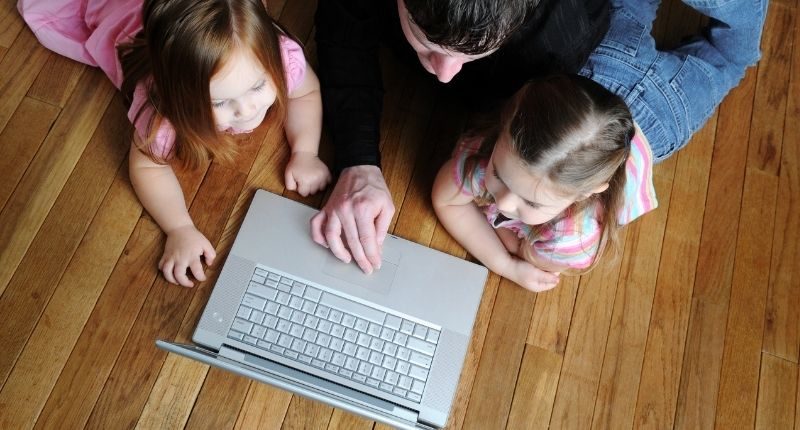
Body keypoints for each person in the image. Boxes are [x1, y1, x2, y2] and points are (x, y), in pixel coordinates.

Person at [432, 0, 767, 292]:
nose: (503, 202)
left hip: (660, 112)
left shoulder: (572, 237)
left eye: (531, 203)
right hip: (613, 82)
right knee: (725, 53)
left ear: (586, 192)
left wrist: (509, 257)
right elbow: (447, 202)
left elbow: (463, 210)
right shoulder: (493, 154)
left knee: (731, 58)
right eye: (499, 176)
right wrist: (506, 262)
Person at [18, 0, 331, 287]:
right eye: (220, 102)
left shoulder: (276, 53)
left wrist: (306, 151)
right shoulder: (162, 116)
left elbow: (305, 92)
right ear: (181, 100)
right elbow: (147, 168)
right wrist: (179, 228)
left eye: (258, 85)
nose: (247, 110)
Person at [312, 0, 612, 274]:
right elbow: (343, 35)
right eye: (427, 41)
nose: (445, 75)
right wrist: (358, 161)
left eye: (476, 51)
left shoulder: (564, 34)